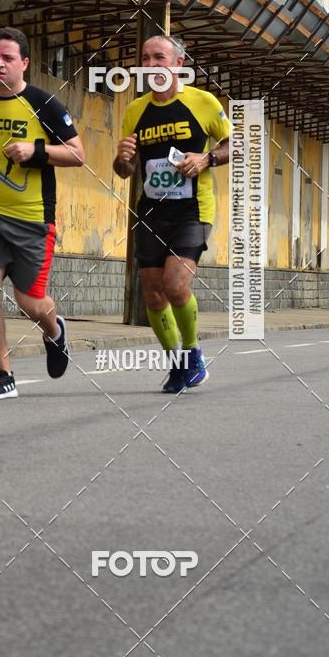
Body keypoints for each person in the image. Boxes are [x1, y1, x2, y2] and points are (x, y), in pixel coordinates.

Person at [0, 26, 85, 400]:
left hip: (32, 221)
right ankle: (3, 374)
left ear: (23, 63)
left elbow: (78, 154)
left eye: (7, 58)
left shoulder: (44, 104)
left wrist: (36, 151)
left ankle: (55, 330)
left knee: (29, 301)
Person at [113, 35, 230, 393]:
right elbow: (124, 171)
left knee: (176, 284)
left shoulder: (203, 102)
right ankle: (177, 365)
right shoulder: (135, 110)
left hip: (193, 210)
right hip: (151, 210)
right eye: (145, 58)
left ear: (178, 63)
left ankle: (193, 354)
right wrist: (123, 157)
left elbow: (235, 143)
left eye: (159, 57)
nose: (151, 64)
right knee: (152, 293)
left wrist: (206, 158)